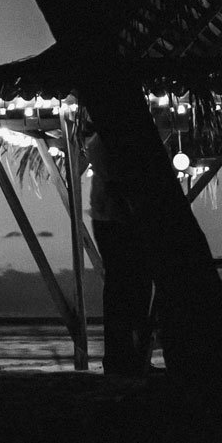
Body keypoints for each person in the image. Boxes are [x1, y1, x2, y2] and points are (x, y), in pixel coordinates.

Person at [86, 132, 154, 374]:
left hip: (116, 218)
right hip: (114, 220)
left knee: (129, 288)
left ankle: (131, 355)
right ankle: (123, 356)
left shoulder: (102, 143)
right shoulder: (102, 143)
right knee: (123, 288)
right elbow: (115, 183)